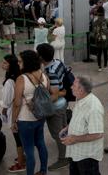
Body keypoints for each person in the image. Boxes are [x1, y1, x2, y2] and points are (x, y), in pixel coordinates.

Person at [11, 50, 52, 175]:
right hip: (40, 116)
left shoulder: (21, 79)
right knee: (40, 143)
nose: (18, 64)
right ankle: (43, 170)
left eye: (20, 61)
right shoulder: (44, 76)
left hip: (25, 119)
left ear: (26, 62)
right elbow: (47, 94)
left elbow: (17, 103)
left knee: (28, 149)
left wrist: (13, 121)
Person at [36, 43, 70, 171]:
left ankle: (63, 159)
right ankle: (68, 152)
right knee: (64, 129)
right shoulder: (58, 62)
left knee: (58, 133)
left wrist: (39, 105)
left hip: (56, 107)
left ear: (41, 57)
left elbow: (54, 95)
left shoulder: (51, 72)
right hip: (63, 103)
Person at [61, 76, 104, 175]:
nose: (71, 87)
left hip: (86, 156)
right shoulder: (80, 98)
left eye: (74, 85)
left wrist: (74, 138)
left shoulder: (93, 107)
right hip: (76, 152)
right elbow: (78, 118)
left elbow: (98, 134)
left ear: (81, 89)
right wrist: (67, 128)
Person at [0, 54, 26, 173]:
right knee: (21, 137)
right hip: (23, 111)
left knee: (17, 138)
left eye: (5, 63)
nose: (2, 64)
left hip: (14, 112)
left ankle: (21, 163)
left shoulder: (10, 81)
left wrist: (4, 109)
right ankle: (22, 157)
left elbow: (6, 100)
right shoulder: (20, 76)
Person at [92, 7, 108, 71]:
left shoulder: (95, 21)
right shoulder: (106, 20)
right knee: (105, 53)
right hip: (105, 39)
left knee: (99, 53)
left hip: (98, 39)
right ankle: (105, 65)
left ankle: (99, 67)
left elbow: (93, 31)